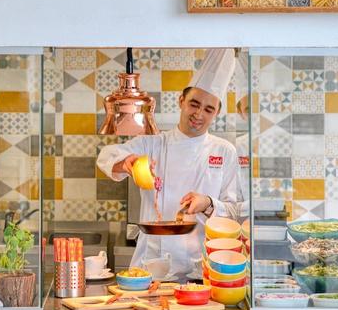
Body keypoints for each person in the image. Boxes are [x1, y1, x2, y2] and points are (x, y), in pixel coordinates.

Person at [96, 48, 241, 277]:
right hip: (152, 266)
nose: (199, 114)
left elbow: (235, 212)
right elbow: (106, 155)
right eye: (194, 104)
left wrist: (208, 202)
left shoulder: (225, 152)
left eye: (208, 109)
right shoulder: (152, 143)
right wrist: (126, 163)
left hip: (201, 268)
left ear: (216, 113)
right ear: (181, 101)